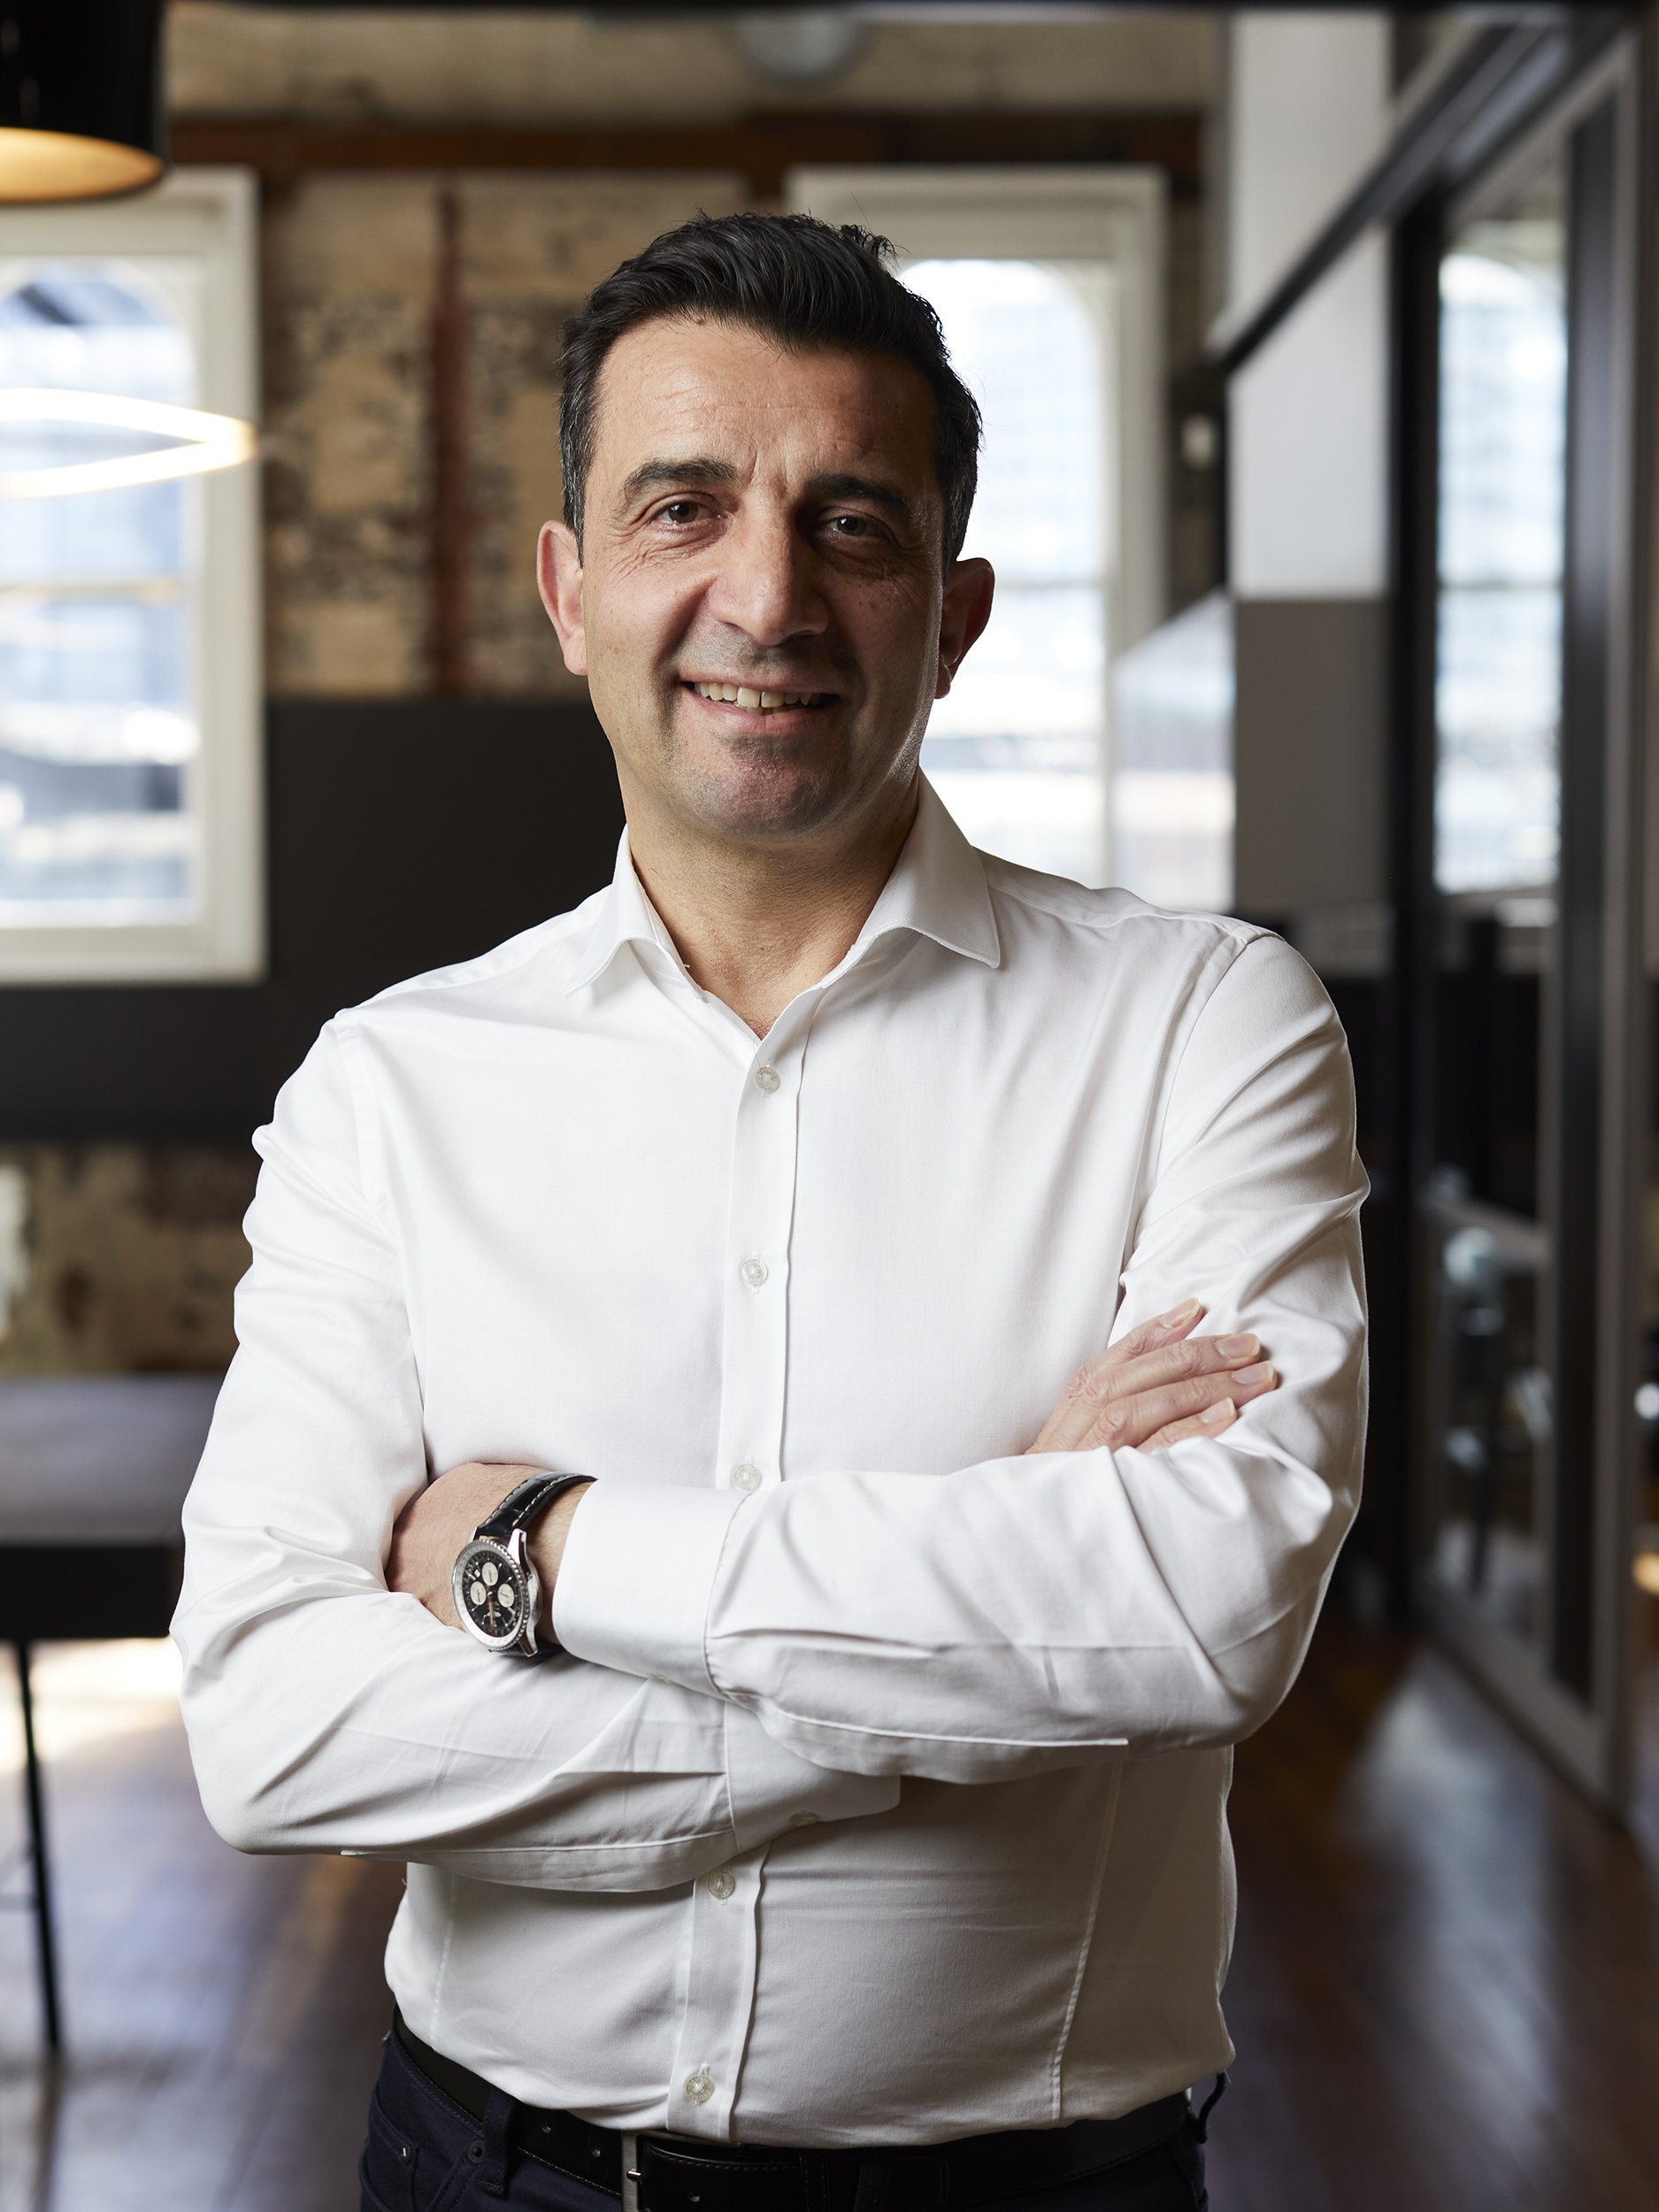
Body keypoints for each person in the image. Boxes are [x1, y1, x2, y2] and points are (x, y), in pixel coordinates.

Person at [175, 213, 1366, 2212]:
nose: (764, 593)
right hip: (489, 2169)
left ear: (953, 611)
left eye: (851, 524)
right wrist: (946, 1675)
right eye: (682, 506)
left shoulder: (1200, 1021)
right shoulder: (393, 1086)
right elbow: (273, 1727)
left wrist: (536, 1551)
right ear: (571, 590)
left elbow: (1196, 1605)